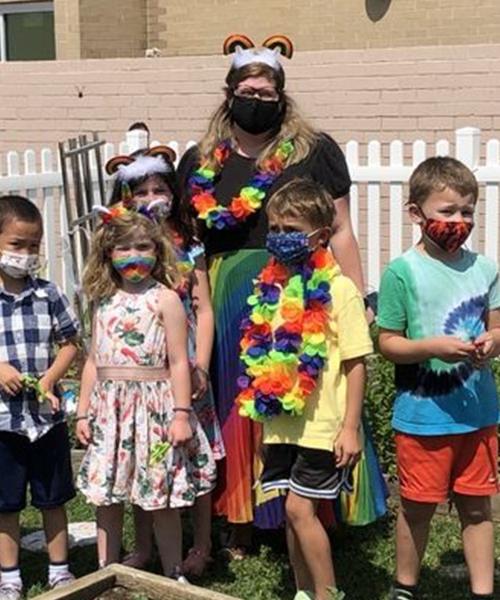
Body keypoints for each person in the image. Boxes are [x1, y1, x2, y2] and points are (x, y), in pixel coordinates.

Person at [174, 33, 368, 550]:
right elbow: (184, 238)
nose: (256, 99)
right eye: (247, 90)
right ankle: (239, 517)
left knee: (301, 396)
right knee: (238, 404)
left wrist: (357, 296)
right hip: (227, 296)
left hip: (302, 293)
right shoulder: (199, 161)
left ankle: (311, 511)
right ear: (229, 91)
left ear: (282, 95)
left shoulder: (314, 151)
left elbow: (341, 227)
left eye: (267, 92)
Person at [376, 157, 500, 600]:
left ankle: (483, 591)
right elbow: (388, 341)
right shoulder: (402, 272)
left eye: (467, 211)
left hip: (478, 411)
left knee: (477, 507)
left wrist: (494, 341)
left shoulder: (484, 268)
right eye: (447, 211)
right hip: (423, 414)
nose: (459, 221)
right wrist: (431, 347)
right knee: (417, 507)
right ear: (417, 213)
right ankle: (404, 587)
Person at [243, 179, 376, 600]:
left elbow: (356, 362)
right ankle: (302, 591)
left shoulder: (340, 291)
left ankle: (328, 593)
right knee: (290, 512)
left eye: (291, 229)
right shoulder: (272, 289)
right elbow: (265, 361)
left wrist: (350, 427)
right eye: (275, 229)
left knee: (301, 508)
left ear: (320, 235)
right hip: (284, 422)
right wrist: (264, 423)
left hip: (324, 424)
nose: (281, 238)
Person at [0, 195, 80, 600]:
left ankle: (60, 570)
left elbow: (71, 342)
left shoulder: (49, 294)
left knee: (53, 498)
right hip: (0, 423)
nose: (26, 255)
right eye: (17, 245)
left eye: (34, 246)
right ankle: (10, 576)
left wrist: (51, 378)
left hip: (46, 420)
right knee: (5, 504)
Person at [74, 211, 217, 581]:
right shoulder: (101, 298)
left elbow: (179, 362)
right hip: (110, 411)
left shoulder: (165, 299)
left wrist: (182, 414)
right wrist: (83, 412)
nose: (133, 254)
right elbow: (92, 360)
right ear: (107, 253)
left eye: (143, 246)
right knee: (106, 495)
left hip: (155, 410)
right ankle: (104, 570)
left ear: (158, 250)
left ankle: (172, 573)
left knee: (160, 495)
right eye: (123, 247)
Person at [104, 149, 226, 576]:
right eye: (142, 190)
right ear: (127, 195)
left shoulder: (189, 245)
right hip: (142, 366)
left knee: (194, 453)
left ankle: (203, 543)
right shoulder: (124, 247)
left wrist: (201, 366)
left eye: (160, 188)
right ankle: (144, 547)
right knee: (144, 455)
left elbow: (205, 309)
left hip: (185, 361)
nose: (152, 197)